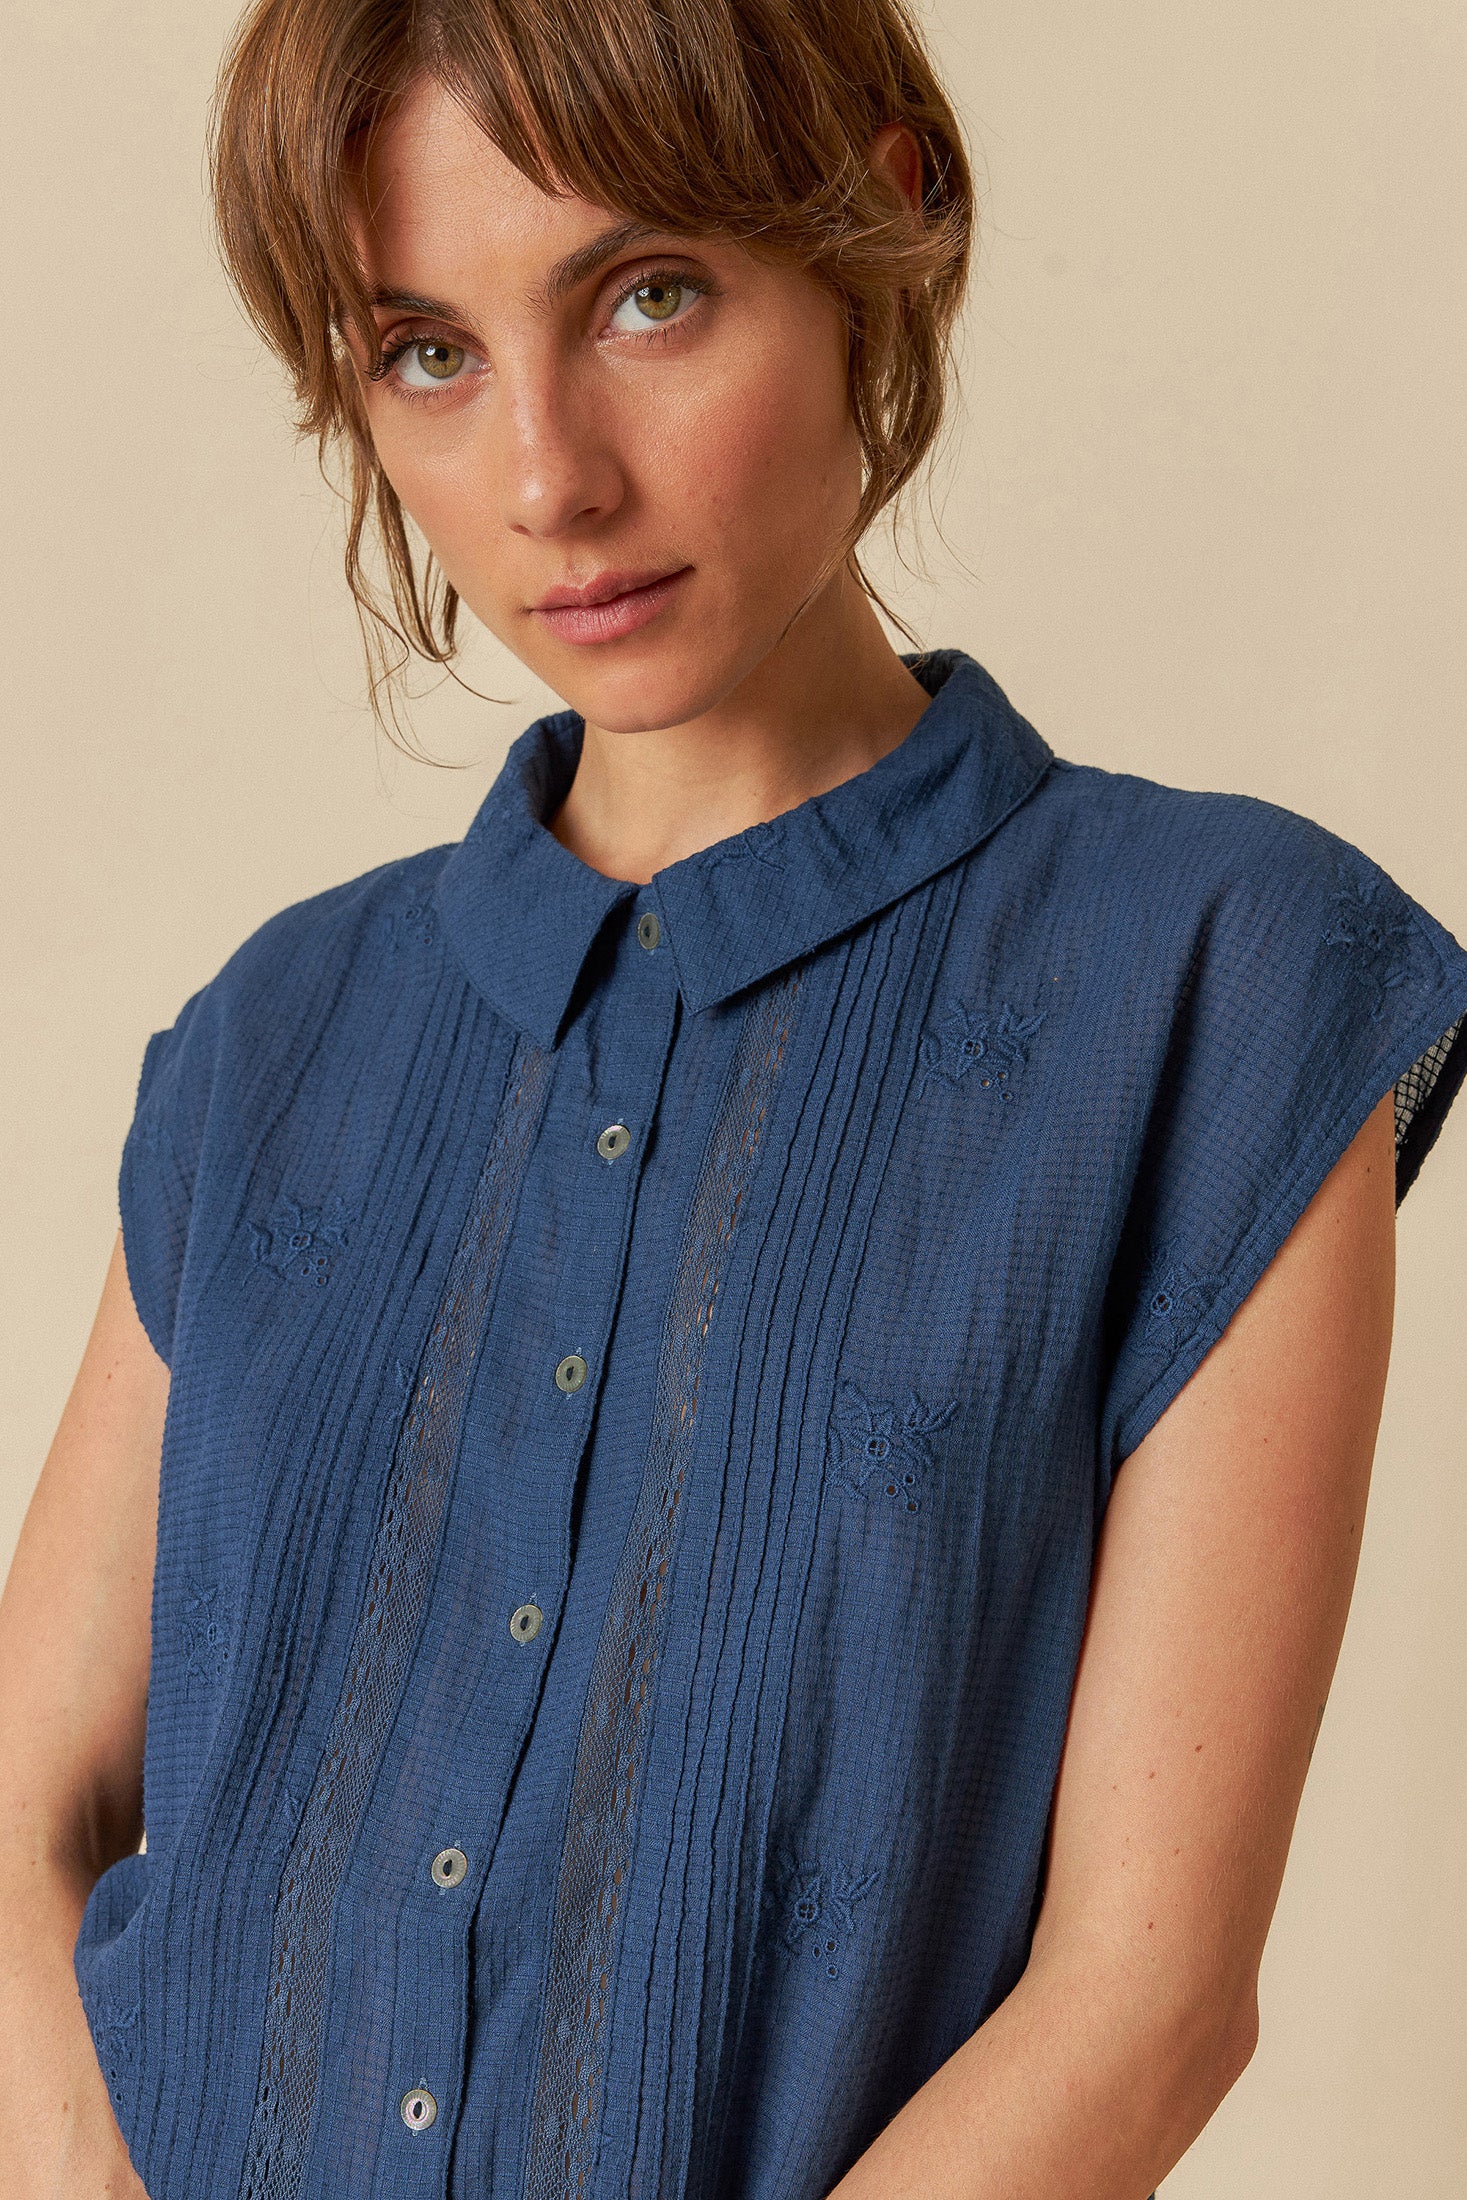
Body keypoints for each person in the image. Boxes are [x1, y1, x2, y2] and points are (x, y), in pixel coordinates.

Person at [1, 0, 1463, 2195]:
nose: (544, 479)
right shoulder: (273, 1038)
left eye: (647, 297)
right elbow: (22, 1800)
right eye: (426, 352)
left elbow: (1145, 1997)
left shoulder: (1220, 978)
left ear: (876, 224)